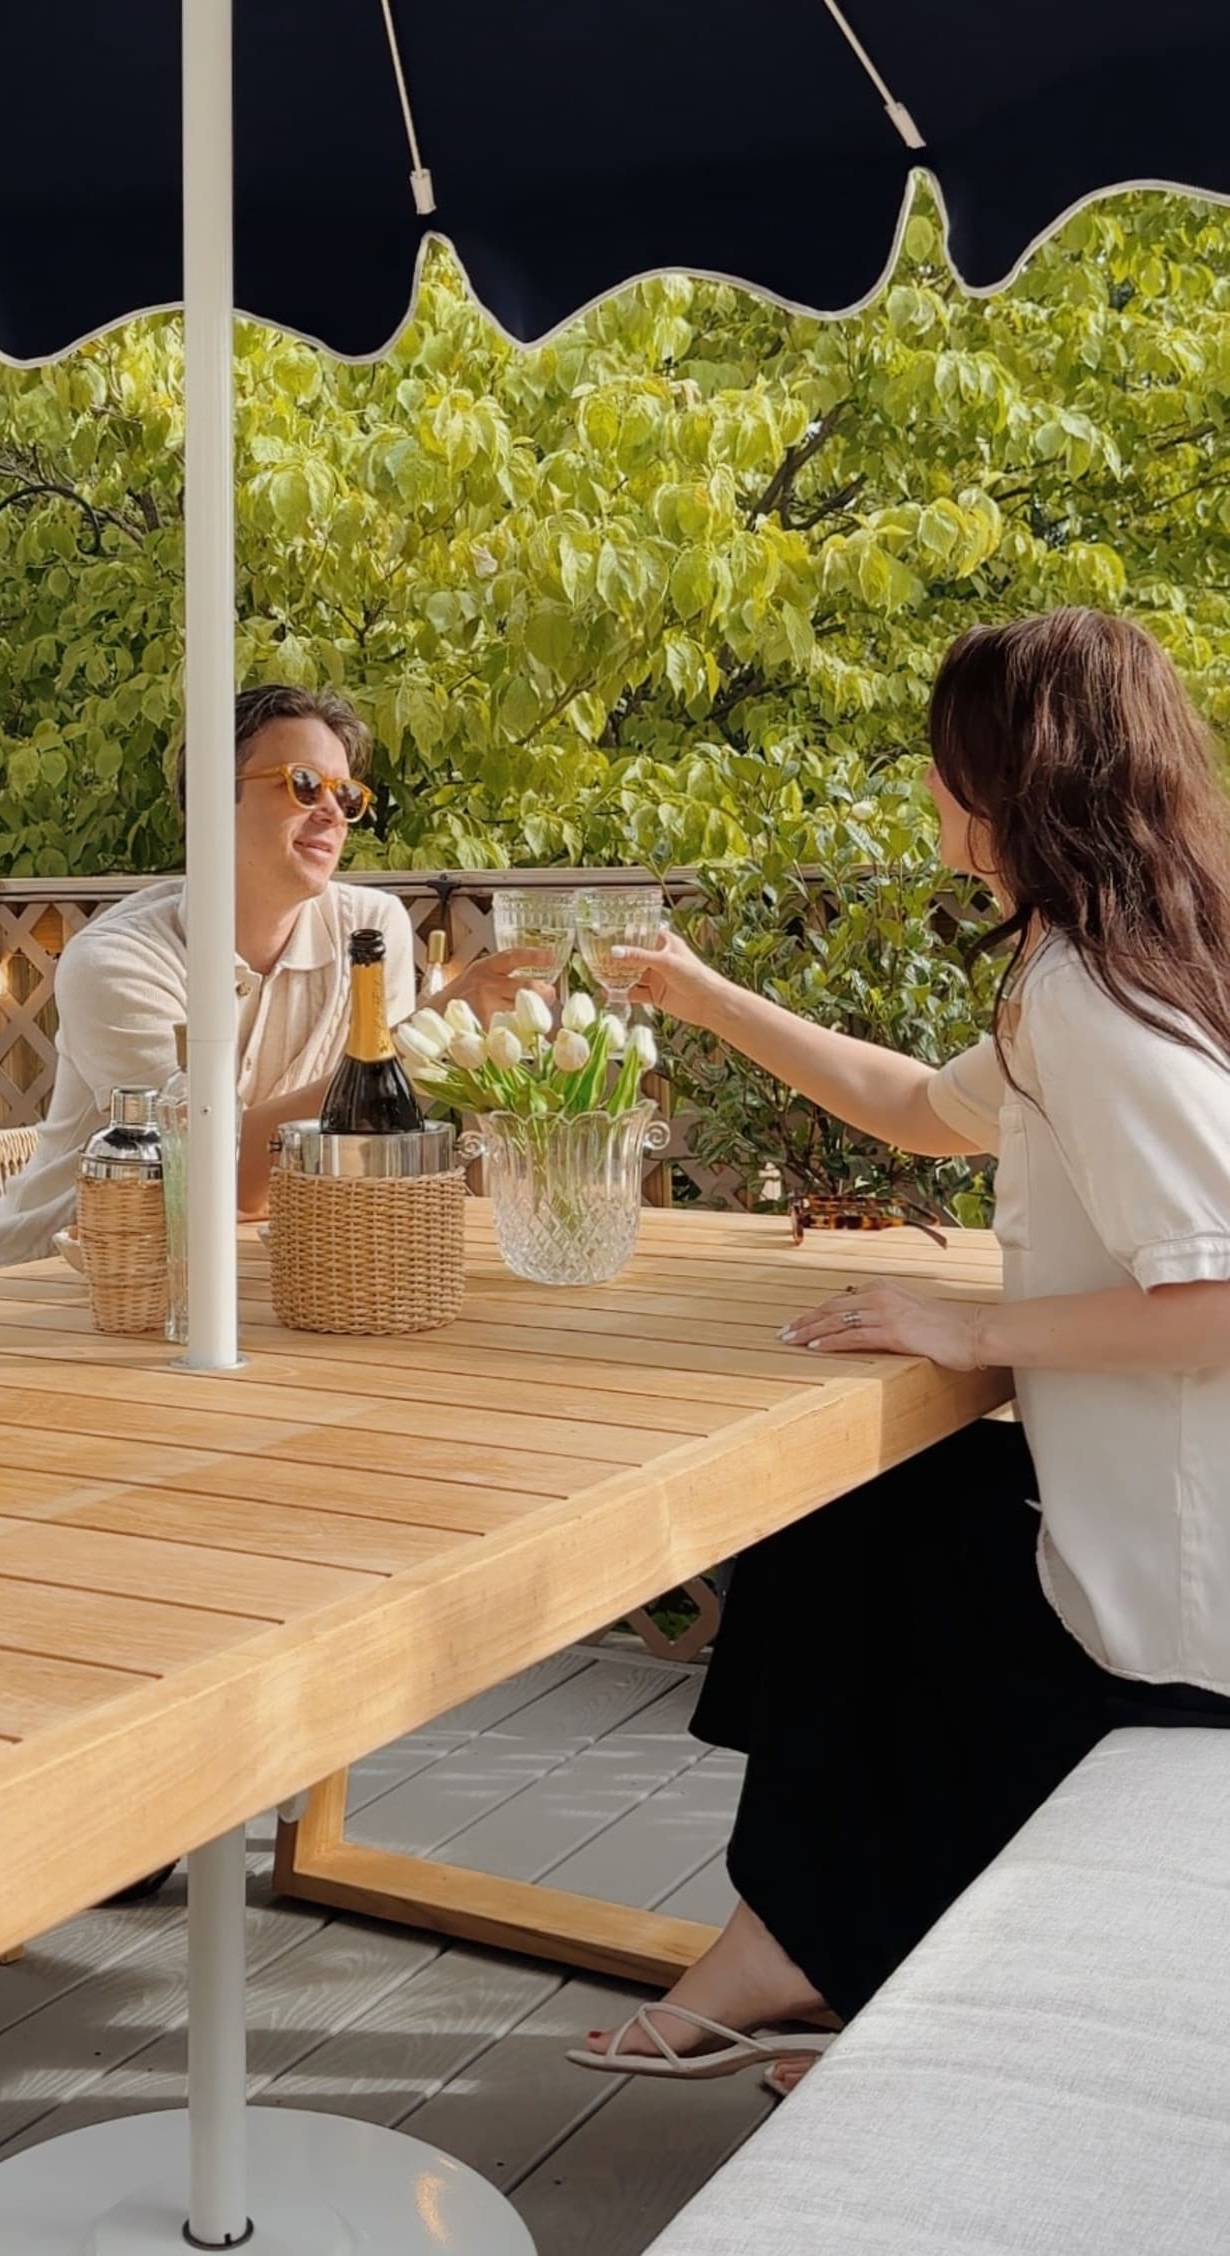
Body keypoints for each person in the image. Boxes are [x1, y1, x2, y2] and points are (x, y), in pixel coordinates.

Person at [569, 608, 1230, 2094]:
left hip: (1187, 1619)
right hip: (1158, 1547)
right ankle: (810, 1951)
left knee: (861, 1572)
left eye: (942, 758)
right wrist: (697, 993)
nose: (928, 786)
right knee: (855, 1525)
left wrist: (975, 1326)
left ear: (1006, 775)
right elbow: (915, 1108)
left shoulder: (1092, 1002)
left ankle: (824, 1964)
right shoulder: (1120, 968)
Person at [0, 684, 543, 1276]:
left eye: (346, 795)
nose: (331, 811)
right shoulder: (119, 961)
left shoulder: (369, 930)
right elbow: (205, 1182)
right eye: (303, 784)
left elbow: (368, 1161)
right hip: (43, 1292)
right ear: (208, 801)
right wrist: (419, 1045)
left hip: (248, 1280)